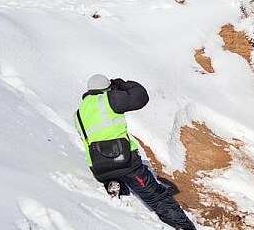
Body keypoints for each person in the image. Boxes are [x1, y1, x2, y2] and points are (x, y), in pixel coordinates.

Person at [74, 74, 196, 230]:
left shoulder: (78, 113)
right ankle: (185, 227)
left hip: (98, 168)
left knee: (117, 176)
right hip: (125, 163)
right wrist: (122, 85)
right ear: (107, 89)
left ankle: (115, 184)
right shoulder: (108, 99)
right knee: (157, 196)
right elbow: (141, 96)